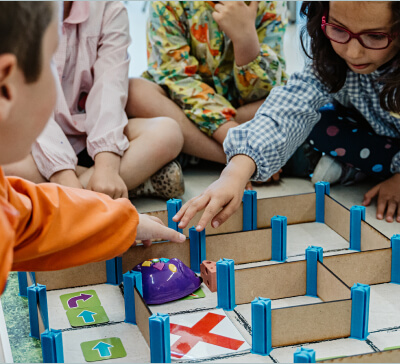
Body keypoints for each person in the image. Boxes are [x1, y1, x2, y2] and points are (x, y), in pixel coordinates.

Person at [0, 2, 186, 295]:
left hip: (90, 141)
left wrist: (120, 221)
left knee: (166, 132)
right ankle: (111, 186)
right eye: (50, 62)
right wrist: (69, 183)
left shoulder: (5, 204)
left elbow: (27, 218)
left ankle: (91, 188)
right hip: (44, 154)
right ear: (5, 86)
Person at [173, 1, 400, 229]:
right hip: (367, 130)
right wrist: (235, 172)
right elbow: (291, 107)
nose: (352, 52)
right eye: (339, 30)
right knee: (316, 121)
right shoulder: (331, 55)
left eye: (375, 37)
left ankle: (365, 168)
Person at [3, 1, 185, 200]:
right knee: (7, 165)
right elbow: (29, 103)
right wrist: (63, 175)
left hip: (88, 137)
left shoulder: (109, 8)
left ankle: (76, 196)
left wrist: (107, 167)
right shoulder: (18, 12)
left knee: (167, 132)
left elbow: (110, 87)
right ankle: (129, 184)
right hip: (33, 139)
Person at [126, 1, 287, 182]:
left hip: (228, 114)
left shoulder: (269, 4)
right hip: (181, 104)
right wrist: (236, 139)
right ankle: (238, 157)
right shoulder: (167, 3)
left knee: (288, 101)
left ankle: (195, 152)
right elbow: (175, 77)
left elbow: (269, 88)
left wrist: (245, 39)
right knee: (135, 92)